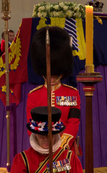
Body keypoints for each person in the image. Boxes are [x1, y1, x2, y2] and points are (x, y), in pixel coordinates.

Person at [8, 106, 86, 173]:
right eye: (42, 136)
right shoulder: (22, 159)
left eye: (50, 135)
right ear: (35, 134)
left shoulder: (70, 158)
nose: (46, 140)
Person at [27, 26, 81, 155]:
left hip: (66, 149)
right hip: (41, 148)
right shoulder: (33, 96)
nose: (52, 76)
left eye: (55, 74)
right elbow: (32, 124)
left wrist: (62, 144)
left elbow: (74, 121)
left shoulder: (72, 93)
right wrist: (43, 144)